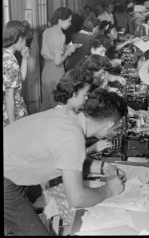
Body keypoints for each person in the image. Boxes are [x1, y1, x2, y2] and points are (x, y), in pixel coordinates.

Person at [4, 88, 128, 235]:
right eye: (117, 126)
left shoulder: (68, 115)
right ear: (109, 124)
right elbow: (77, 199)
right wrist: (109, 190)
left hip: (12, 167)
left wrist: (102, 167)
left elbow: (66, 159)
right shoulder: (72, 138)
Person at [40, 7, 80, 111]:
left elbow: (51, 50)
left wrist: (67, 48)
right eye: (69, 21)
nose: (70, 24)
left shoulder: (47, 31)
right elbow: (57, 61)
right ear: (60, 20)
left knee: (46, 105)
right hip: (55, 72)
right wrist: (68, 51)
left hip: (45, 72)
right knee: (57, 106)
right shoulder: (61, 36)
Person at [3, 20, 33, 126]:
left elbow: (20, 80)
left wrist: (25, 59)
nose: (25, 42)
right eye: (24, 38)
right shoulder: (10, 63)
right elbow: (8, 96)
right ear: (17, 38)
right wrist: (12, 125)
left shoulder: (7, 54)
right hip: (13, 115)